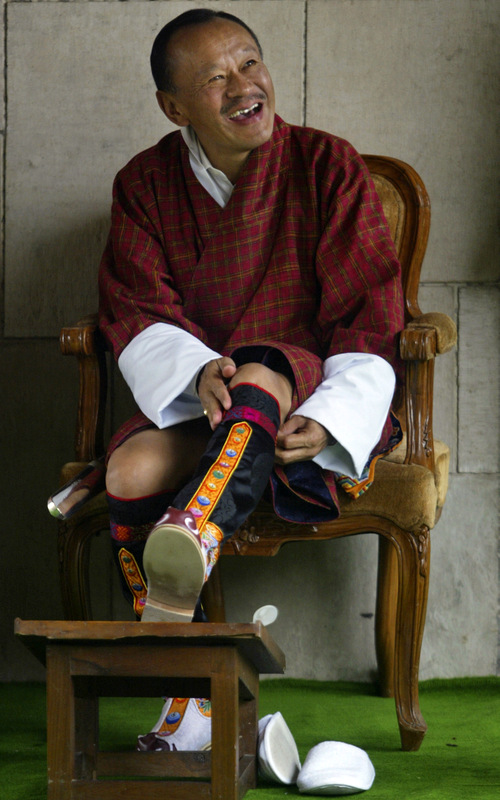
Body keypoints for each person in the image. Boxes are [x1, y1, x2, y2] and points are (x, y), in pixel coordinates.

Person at [97, 8, 403, 756]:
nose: (244, 85)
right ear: (175, 109)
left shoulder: (328, 165)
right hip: (205, 398)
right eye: (215, 77)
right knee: (128, 469)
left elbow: (372, 310)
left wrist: (332, 417)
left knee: (263, 365)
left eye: (250, 63)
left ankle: (196, 530)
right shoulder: (144, 183)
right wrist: (198, 368)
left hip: (300, 392)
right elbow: (136, 309)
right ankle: (189, 701)